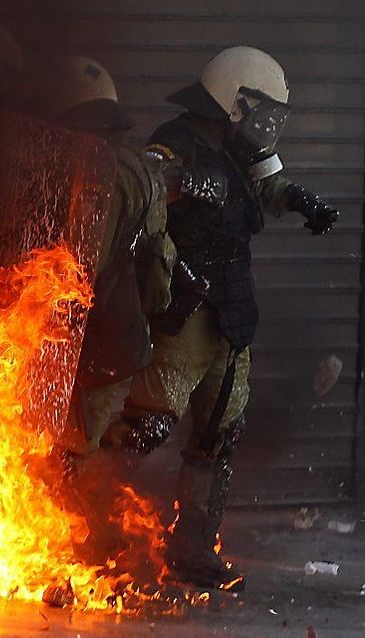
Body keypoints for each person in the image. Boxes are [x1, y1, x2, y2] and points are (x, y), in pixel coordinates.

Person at [103, 46, 340, 591]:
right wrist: (189, 185)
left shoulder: (239, 147)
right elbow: (149, 181)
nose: (264, 124)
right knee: (148, 424)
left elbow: (265, 184)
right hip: (187, 307)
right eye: (258, 110)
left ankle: (192, 552)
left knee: (219, 433)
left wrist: (300, 199)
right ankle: (96, 533)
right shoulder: (179, 139)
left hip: (232, 312)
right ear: (233, 101)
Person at [36, 57, 176, 456]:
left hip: (91, 340)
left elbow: (80, 269)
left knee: (63, 459)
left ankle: (71, 516)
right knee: (61, 454)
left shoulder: (97, 173)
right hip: (113, 336)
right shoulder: (135, 165)